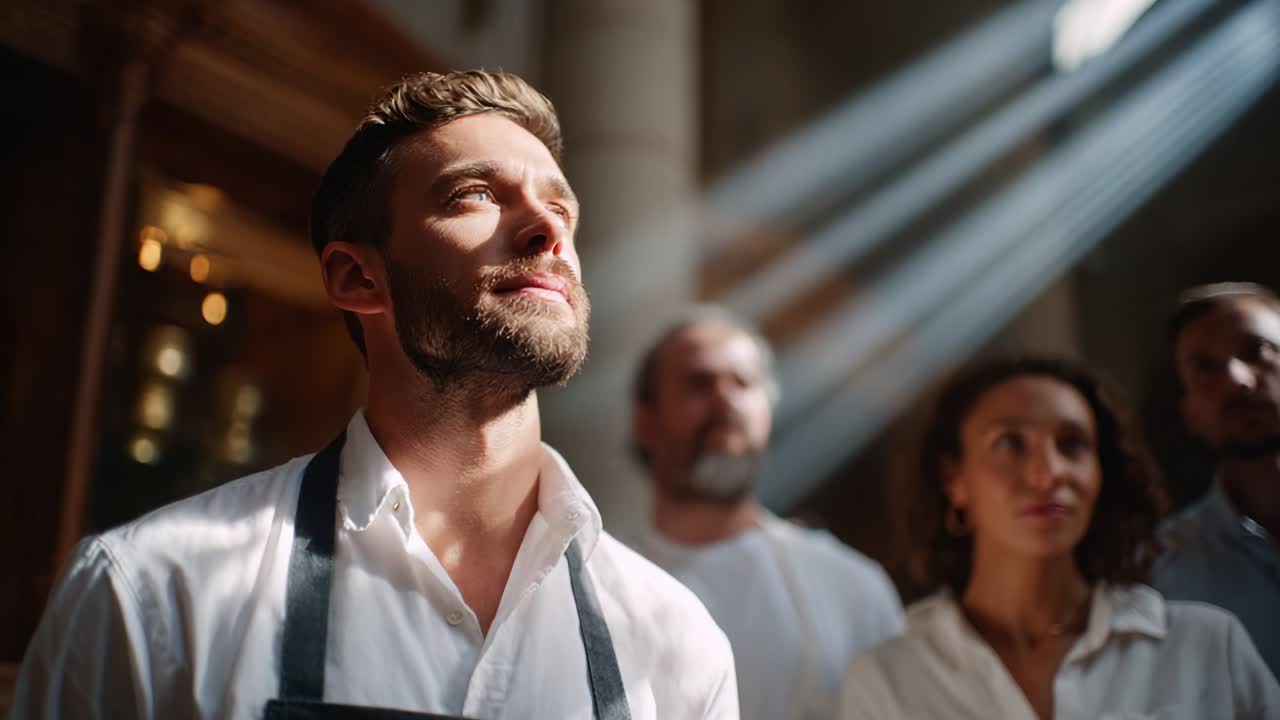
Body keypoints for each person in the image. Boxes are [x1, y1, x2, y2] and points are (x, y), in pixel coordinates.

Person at [15, 70, 738, 719]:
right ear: (358, 279)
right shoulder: (151, 596)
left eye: (561, 208)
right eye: (476, 194)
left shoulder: (676, 645)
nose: (548, 227)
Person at [839, 355, 1280, 719]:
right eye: (1010, 443)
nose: (1049, 474)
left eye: (1072, 444)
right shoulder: (887, 680)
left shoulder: (1206, 648)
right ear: (953, 479)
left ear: (1101, 474)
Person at [628, 307, 903, 720]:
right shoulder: (603, 585)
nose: (725, 398)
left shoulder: (852, 586)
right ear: (645, 423)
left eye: (742, 382)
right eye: (698, 384)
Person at [1153, 282, 1280, 678]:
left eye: (1257, 351)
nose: (1238, 380)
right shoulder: (1160, 571)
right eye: (1205, 368)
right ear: (1188, 413)